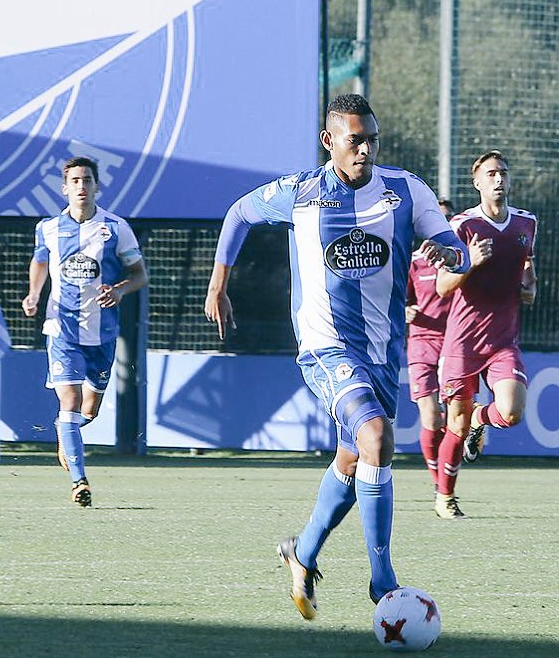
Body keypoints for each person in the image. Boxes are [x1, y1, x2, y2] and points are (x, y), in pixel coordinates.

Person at [204, 94, 469, 620]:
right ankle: (383, 581)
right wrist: (219, 283)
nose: (366, 149)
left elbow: (452, 246)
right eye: (356, 140)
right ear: (330, 141)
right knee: (375, 437)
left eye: (372, 139)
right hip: (324, 347)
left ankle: (300, 554)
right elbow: (238, 214)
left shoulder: (404, 189)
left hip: (383, 351)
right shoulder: (301, 192)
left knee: (355, 458)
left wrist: (450, 252)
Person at [22, 156, 149, 508]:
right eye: (75, 180)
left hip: (102, 333)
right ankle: (79, 481)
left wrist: (120, 290)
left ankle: (68, 431)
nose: (81, 186)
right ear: (65, 188)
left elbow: (140, 274)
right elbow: (41, 261)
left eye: (87, 180)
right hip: (61, 329)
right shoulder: (48, 228)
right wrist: (34, 293)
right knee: (71, 402)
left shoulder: (116, 227)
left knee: (87, 411)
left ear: (96, 186)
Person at [434, 149, 537, 519]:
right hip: (462, 342)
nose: (498, 179)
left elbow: (527, 269)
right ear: (476, 182)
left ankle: (482, 419)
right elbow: (443, 286)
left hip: (502, 341)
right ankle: (445, 497)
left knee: (511, 412)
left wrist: (530, 286)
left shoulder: (526, 223)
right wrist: (471, 262)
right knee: (456, 424)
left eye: (503, 173)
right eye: (491, 174)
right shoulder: (461, 226)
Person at [405, 198, 455, 487]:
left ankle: (475, 428)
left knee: (456, 418)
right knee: (431, 416)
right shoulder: (412, 262)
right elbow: (396, 299)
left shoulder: (462, 259)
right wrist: (405, 310)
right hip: (422, 343)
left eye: (446, 217)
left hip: (457, 345)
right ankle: (440, 486)